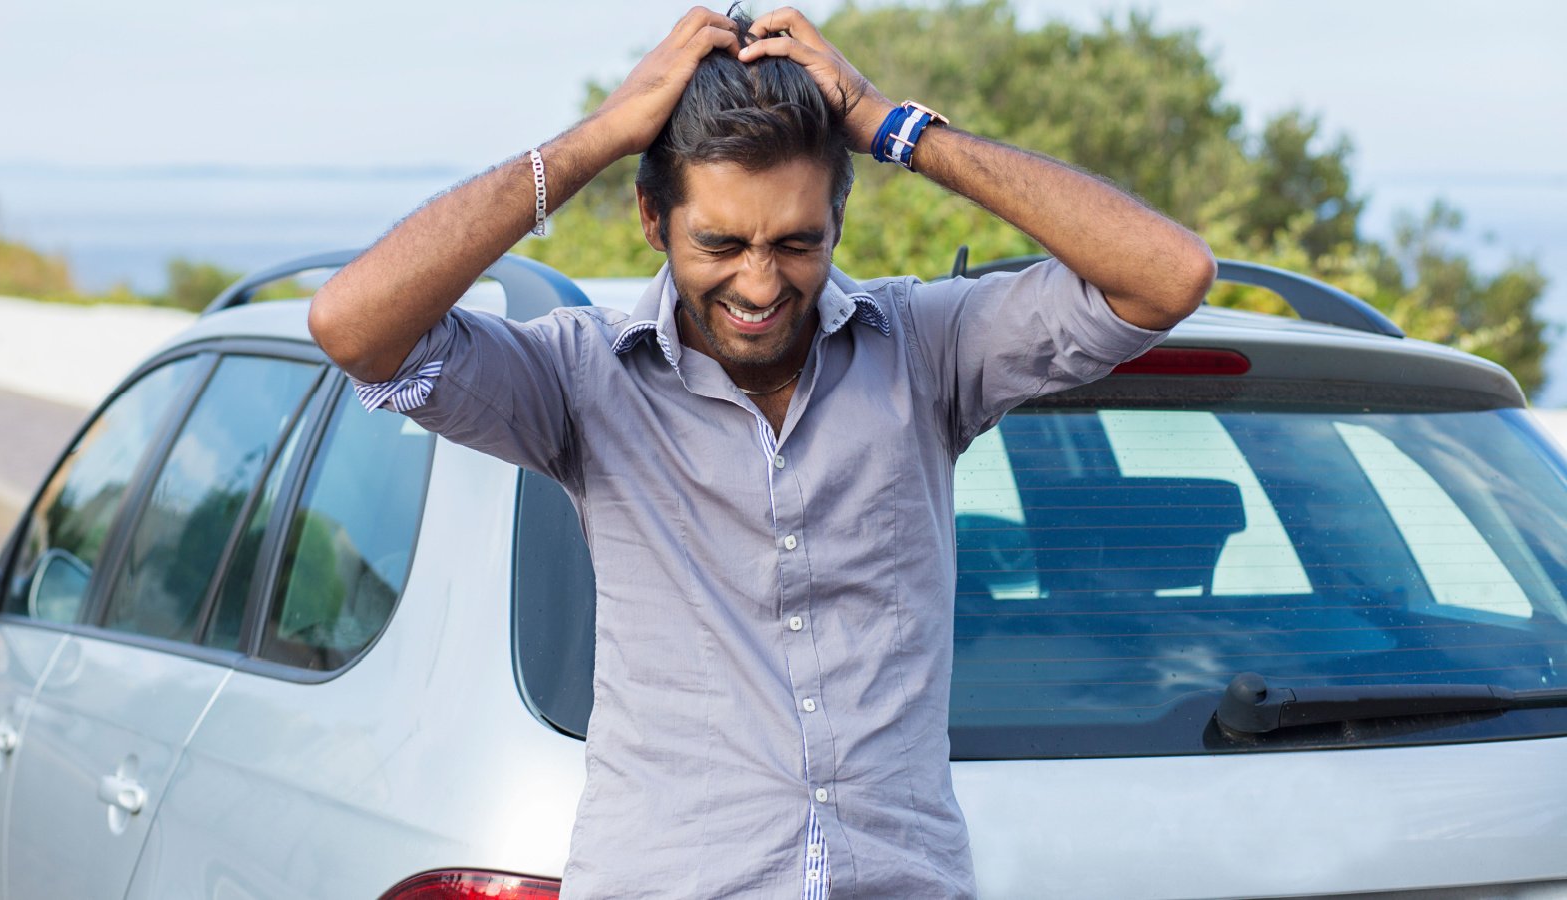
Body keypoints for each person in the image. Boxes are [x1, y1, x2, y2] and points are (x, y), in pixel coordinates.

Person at [309, 6, 1214, 897]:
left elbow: (1166, 275)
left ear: (838, 218)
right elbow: (354, 327)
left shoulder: (927, 350)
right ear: (654, 220)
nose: (758, 282)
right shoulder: (580, 377)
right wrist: (599, 137)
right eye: (720, 242)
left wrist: (892, 125)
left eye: (795, 242)